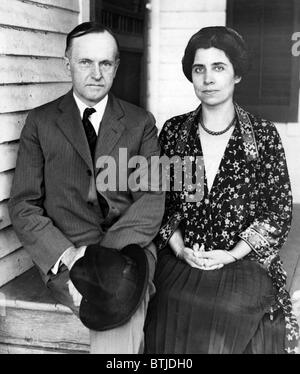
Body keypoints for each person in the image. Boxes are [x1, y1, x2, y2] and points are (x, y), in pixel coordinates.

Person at [8, 22, 165, 354]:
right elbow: (23, 206)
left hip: (128, 249)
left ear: (116, 67)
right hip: (68, 253)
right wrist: (70, 256)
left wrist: (102, 258)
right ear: (67, 64)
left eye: (105, 63)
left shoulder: (141, 123)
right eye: (85, 62)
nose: (97, 73)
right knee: (112, 301)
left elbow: (152, 198)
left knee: (120, 292)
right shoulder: (41, 122)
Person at [144, 26, 299, 354]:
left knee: (225, 308)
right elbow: (159, 199)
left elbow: (278, 208)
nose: (208, 78)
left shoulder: (262, 135)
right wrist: (179, 247)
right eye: (199, 69)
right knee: (168, 301)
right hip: (184, 258)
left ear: (237, 75)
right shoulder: (174, 131)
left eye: (219, 67)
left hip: (244, 262)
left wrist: (232, 253)